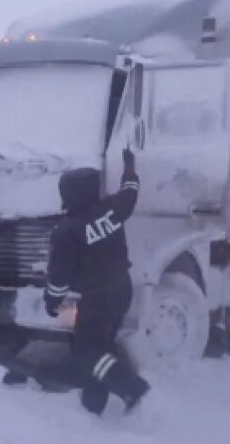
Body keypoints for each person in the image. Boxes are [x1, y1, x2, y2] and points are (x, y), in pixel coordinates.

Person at [43, 148, 150, 415]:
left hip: (97, 298)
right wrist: (130, 166)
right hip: (122, 290)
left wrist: (52, 301)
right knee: (102, 347)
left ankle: (132, 387)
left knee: (85, 352)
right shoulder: (112, 210)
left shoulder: (66, 232)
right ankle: (93, 405)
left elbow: (59, 276)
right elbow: (130, 192)